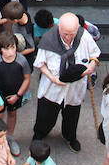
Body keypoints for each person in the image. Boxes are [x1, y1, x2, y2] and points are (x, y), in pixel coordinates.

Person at [31, 13, 100, 151]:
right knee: (45, 114)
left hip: (75, 87)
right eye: (65, 33)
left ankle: (70, 136)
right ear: (58, 27)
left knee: (72, 114)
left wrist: (91, 66)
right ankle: (39, 134)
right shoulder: (48, 39)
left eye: (72, 34)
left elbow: (94, 54)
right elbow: (40, 64)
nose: (68, 37)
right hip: (52, 87)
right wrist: (52, 78)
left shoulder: (84, 36)